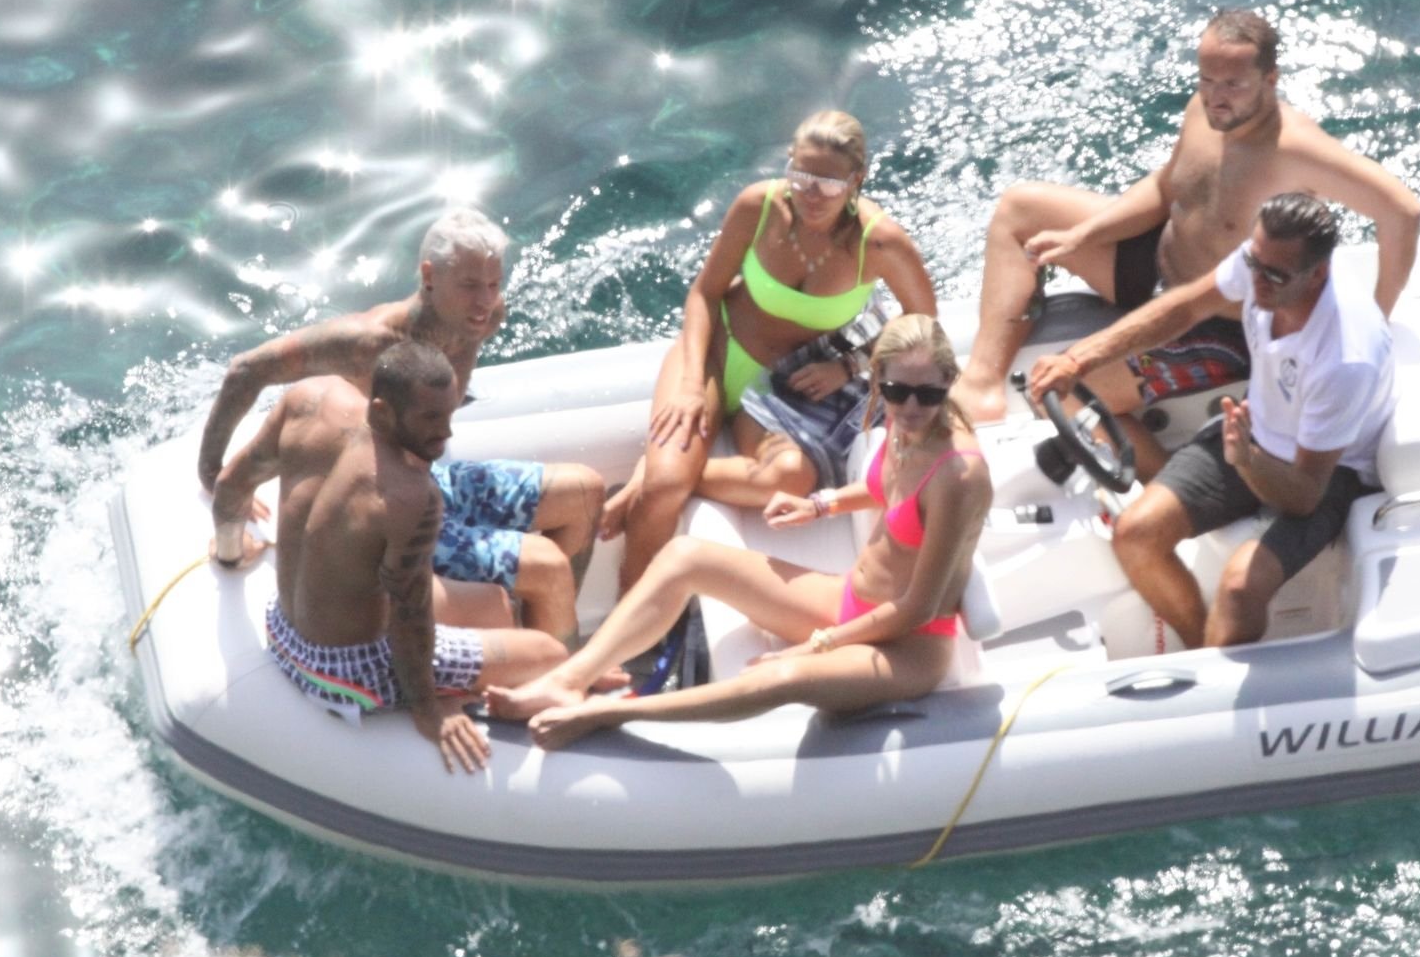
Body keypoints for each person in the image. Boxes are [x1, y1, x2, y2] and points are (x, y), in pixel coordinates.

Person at [487, 316, 991, 748]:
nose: (911, 406)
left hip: (906, 646)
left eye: (929, 393)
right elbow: (888, 488)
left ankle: (607, 713)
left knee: (780, 675)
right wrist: (821, 504)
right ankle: (568, 679)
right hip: (852, 600)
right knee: (686, 557)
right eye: (898, 392)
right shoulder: (908, 425)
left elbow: (917, 608)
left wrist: (818, 646)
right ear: (879, 379)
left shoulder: (959, 476)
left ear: (949, 381)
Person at [954, 7, 1420, 427]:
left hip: (1213, 321)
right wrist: (1081, 236)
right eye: (1207, 80)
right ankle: (981, 384)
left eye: (1233, 85)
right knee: (1020, 208)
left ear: (1270, 79)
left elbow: (1403, 212)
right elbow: (1166, 188)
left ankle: (1154, 475)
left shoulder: (1296, 149)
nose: (1216, 97)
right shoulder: (1205, 111)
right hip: (1158, 266)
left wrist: (1378, 319)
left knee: (1055, 391)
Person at [196, 208, 603, 645]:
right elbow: (246, 370)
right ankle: (558, 663)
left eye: (493, 283)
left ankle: (541, 633)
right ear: (429, 276)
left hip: (434, 483)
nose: (485, 301)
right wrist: (212, 470)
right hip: (388, 518)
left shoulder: (483, 317)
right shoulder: (370, 343)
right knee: (545, 564)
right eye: (469, 285)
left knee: (586, 492)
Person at [600, 110, 940, 594]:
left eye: (828, 183)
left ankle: (654, 471)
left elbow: (923, 323)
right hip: (718, 355)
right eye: (800, 176)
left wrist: (851, 365)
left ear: (856, 179)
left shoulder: (879, 242)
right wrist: (692, 383)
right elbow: (704, 293)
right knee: (663, 492)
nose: (810, 194)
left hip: (785, 390)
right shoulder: (758, 207)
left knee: (788, 476)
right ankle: (630, 604)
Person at [1041, 194, 1394, 649]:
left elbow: (1305, 496)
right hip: (1255, 431)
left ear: (1318, 274)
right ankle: (1201, 654)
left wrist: (1246, 460)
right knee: (1135, 535)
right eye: (1253, 263)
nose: (1257, 281)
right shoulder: (1264, 262)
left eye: (1274, 275)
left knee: (1240, 590)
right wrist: (1080, 359)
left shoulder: (1344, 358)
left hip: (1330, 473)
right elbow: (1186, 307)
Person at [210, 343, 569, 774]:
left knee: (494, 602)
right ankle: (490, 698)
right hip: (344, 670)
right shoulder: (410, 496)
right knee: (550, 654)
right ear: (381, 411)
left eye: (449, 414)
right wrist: (429, 708)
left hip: (282, 628)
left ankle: (478, 684)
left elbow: (231, 484)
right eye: (430, 419)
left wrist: (230, 554)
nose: (446, 434)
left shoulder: (309, 399)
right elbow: (409, 618)